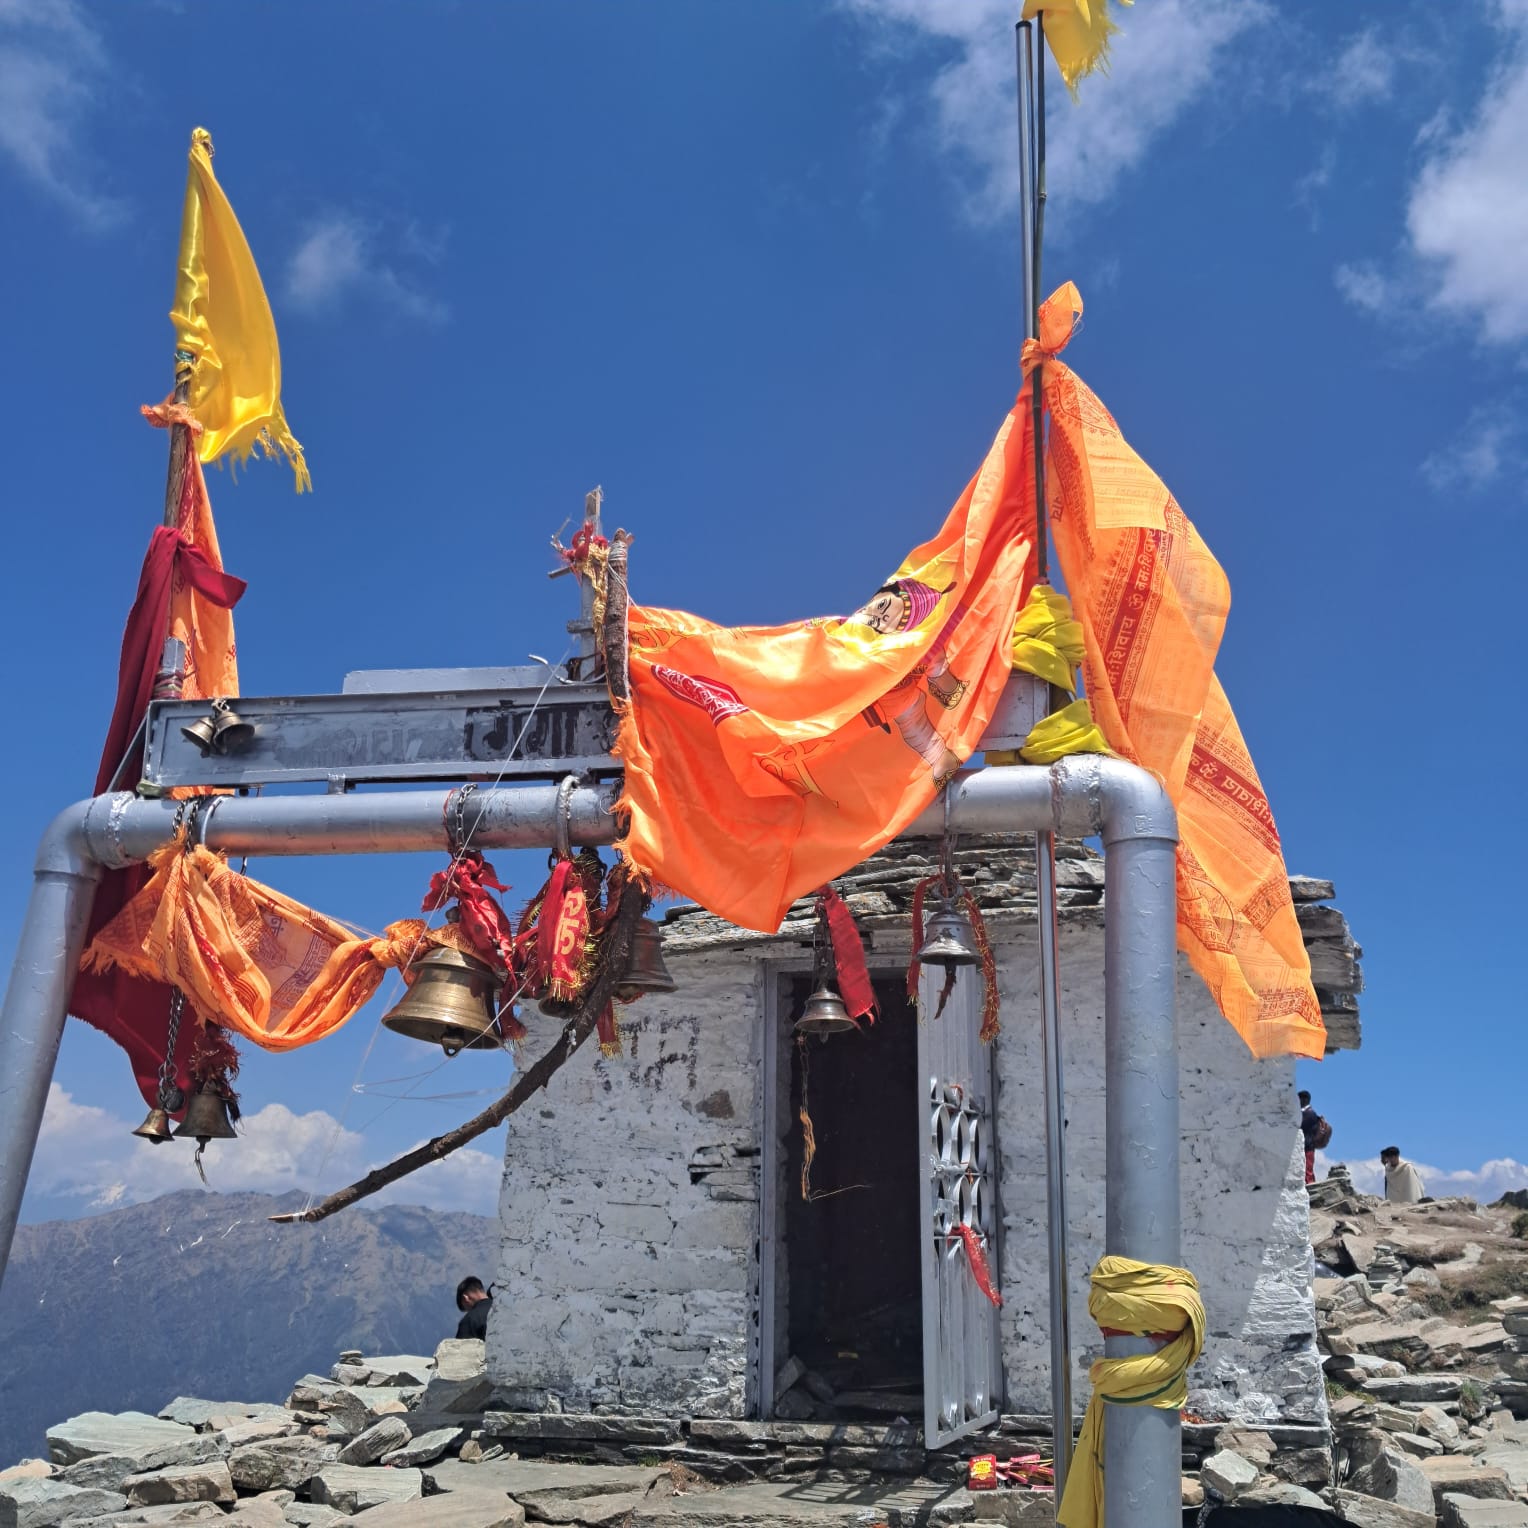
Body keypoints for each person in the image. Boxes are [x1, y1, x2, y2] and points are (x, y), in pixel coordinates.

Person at [455, 1276, 492, 1340]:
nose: (469, 1311)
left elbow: (461, 1348)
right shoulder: (505, 1305)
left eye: (467, 1308)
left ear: (465, 1298)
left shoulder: (469, 1321)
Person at [1299, 1090, 1319, 1186]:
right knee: (1306, 1170)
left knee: (1308, 1171)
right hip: (1307, 1146)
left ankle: (1311, 1190)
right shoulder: (1309, 1113)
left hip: (1308, 1146)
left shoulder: (1309, 1114)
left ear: (1305, 1100)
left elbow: (1299, 1125)